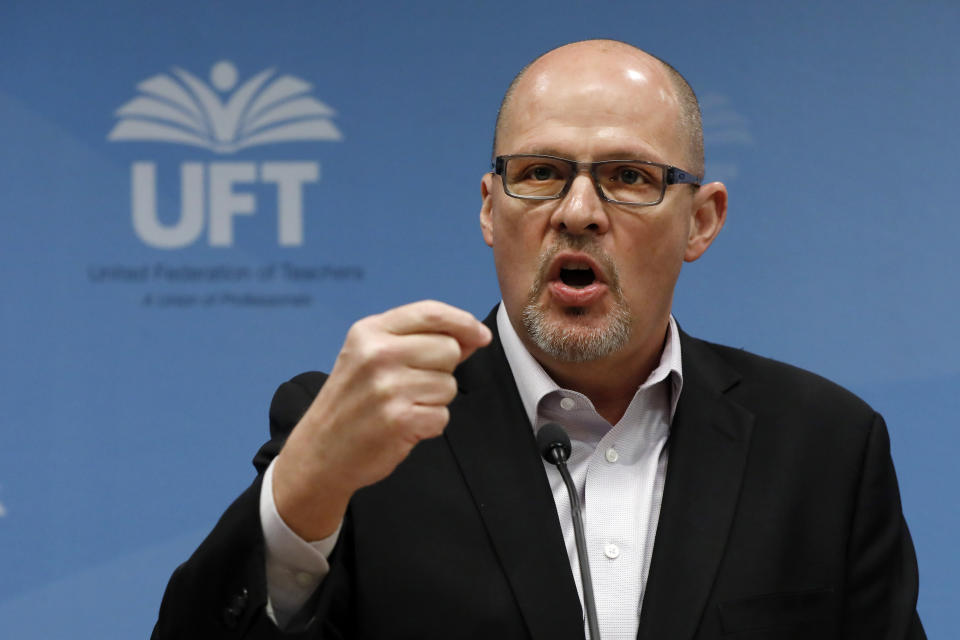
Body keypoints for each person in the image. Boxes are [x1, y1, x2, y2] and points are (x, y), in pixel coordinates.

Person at [153, 40, 925, 639]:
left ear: (702, 220)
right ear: (490, 209)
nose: (579, 210)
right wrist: (302, 497)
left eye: (628, 176)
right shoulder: (360, 430)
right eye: (542, 171)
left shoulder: (824, 448)